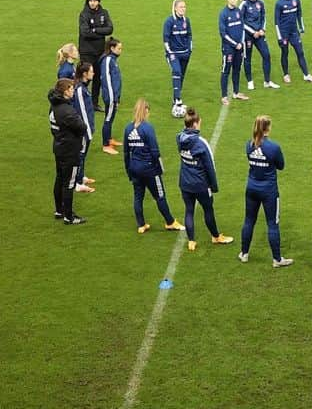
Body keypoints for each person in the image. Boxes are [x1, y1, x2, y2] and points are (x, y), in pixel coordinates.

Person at [123, 98, 185, 235]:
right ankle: (170, 222)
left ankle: (141, 224)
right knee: (160, 196)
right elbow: (155, 151)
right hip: (149, 169)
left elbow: (126, 153)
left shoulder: (128, 128)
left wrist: (128, 170)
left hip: (134, 168)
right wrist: (159, 169)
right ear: (145, 111)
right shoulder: (147, 128)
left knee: (138, 196)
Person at [238, 115, 293, 267]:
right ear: (268, 128)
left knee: (249, 220)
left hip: (251, 188)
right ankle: (277, 259)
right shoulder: (273, 147)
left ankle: (244, 253)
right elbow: (281, 166)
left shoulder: (249, 145)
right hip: (269, 191)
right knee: (272, 224)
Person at [176, 107, 233, 251]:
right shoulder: (200, 143)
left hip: (185, 182)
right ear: (195, 124)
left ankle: (191, 241)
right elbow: (210, 166)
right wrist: (213, 187)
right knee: (208, 209)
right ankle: (216, 236)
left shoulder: (179, 138)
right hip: (200, 184)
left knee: (189, 210)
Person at [48, 77, 87, 225]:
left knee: (59, 179)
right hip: (70, 151)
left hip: (59, 147)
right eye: (71, 88)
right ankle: (69, 216)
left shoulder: (53, 107)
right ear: (65, 91)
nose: (73, 91)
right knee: (69, 183)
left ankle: (59, 210)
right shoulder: (67, 111)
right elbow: (82, 127)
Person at [274, 0, 312, 84]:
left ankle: (306, 75)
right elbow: (276, 22)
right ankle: (286, 74)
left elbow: (299, 14)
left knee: (300, 52)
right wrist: (279, 37)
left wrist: (301, 27)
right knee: (285, 53)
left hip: (294, 32)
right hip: (284, 33)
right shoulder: (279, 3)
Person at [241, 0, 279, 92]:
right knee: (247, 58)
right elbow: (241, 21)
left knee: (266, 55)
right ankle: (250, 81)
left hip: (260, 34)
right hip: (248, 36)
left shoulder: (260, 2)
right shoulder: (243, 5)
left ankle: (267, 81)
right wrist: (253, 32)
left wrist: (262, 29)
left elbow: (264, 17)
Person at [78, 0, 113, 108]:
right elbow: (85, 33)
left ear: (98, 1)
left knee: (97, 77)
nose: (92, 3)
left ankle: (94, 103)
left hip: (99, 51)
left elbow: (110, 29)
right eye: (90, 1)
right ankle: (80, 99)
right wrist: (100, 32)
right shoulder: (84, 14)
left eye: (94, 1)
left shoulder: (104, 13)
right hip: (86, 51)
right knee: (85, 77)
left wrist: (95, 30)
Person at [218, 0, 249, 105]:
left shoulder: (238, 12)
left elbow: (242, 28)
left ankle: (236, 92)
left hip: (239, 46)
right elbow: (223, 33)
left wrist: (241, 42)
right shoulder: (223, 14)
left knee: (237, 70)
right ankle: (224, 96)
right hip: (228, 48)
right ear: (228, 0)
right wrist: (235, 44)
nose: (236, 1)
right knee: (226, 71)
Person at [163, 0, 193, 113]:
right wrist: (170, 53)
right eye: (181, 7)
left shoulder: (187, 21)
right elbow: (165, 39)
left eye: (184, 7)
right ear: (175, 8)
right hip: (173, 54)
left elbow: (189, 35)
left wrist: (189, 50)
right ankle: (177, 100)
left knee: (182, 76)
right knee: (177, 72)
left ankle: (175, 98)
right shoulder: (169, 22)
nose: (183, 9)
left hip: (185, 53)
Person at [73, 61, 97, 194]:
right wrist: (88, 132)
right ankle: (77, 182)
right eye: (91, 71)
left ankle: (81, 176)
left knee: (83, 154)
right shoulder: (80, 90)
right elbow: (82, 112)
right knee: (80, 155)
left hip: (86, 129)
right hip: (83, 131)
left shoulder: (83, 87)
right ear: (84, 74)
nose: (93, 73)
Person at [100, 37, 123, 154]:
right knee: (108, 119)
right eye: (119, 48)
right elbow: (107, 81)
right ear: (112, 48)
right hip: (110, 96)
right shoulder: (108, 60)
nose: (120, 51)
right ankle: (105, 145)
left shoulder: (112, 59)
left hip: (114, 96)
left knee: (111, 117)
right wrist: (112, 98)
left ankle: (109, 139)